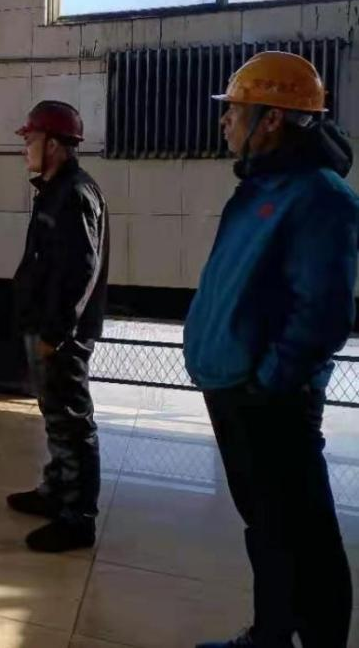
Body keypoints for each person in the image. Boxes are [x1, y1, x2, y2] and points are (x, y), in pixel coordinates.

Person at [185, 52, 357, 648]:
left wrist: (269, 382)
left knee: (306, 536)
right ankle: (271, 635)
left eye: (235, 110)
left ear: (274, 118)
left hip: (271, 400)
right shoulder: (262, 187)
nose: (225, 120)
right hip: (238, 391)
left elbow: (324, 313)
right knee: (268, 526)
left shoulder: (320, 197)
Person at [8, 100, 109, 553]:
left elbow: (78, 272)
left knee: (71, 419)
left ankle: (78, 517)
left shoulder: (75, 194)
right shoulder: (54, 190)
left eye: (30, 139)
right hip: (45, 324)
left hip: (62, 333)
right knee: (55, 416)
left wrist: (55, 333)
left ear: (53, 144)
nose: (25, 147)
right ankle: (56, 490)